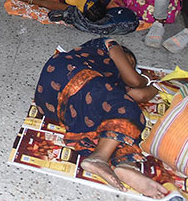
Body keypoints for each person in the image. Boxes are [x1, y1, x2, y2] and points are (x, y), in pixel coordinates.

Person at [34, 39, 167, 198]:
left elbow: (140, 95)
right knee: (128, 110)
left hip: (52, 101)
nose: (129, 68)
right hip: (71, 71)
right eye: (130, 63)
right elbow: (135, 81)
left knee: (106, 122)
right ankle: (99, 158)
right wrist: (148, 80)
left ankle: (126, 165)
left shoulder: (109, 83)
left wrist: (155, 88)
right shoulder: (108, 45)